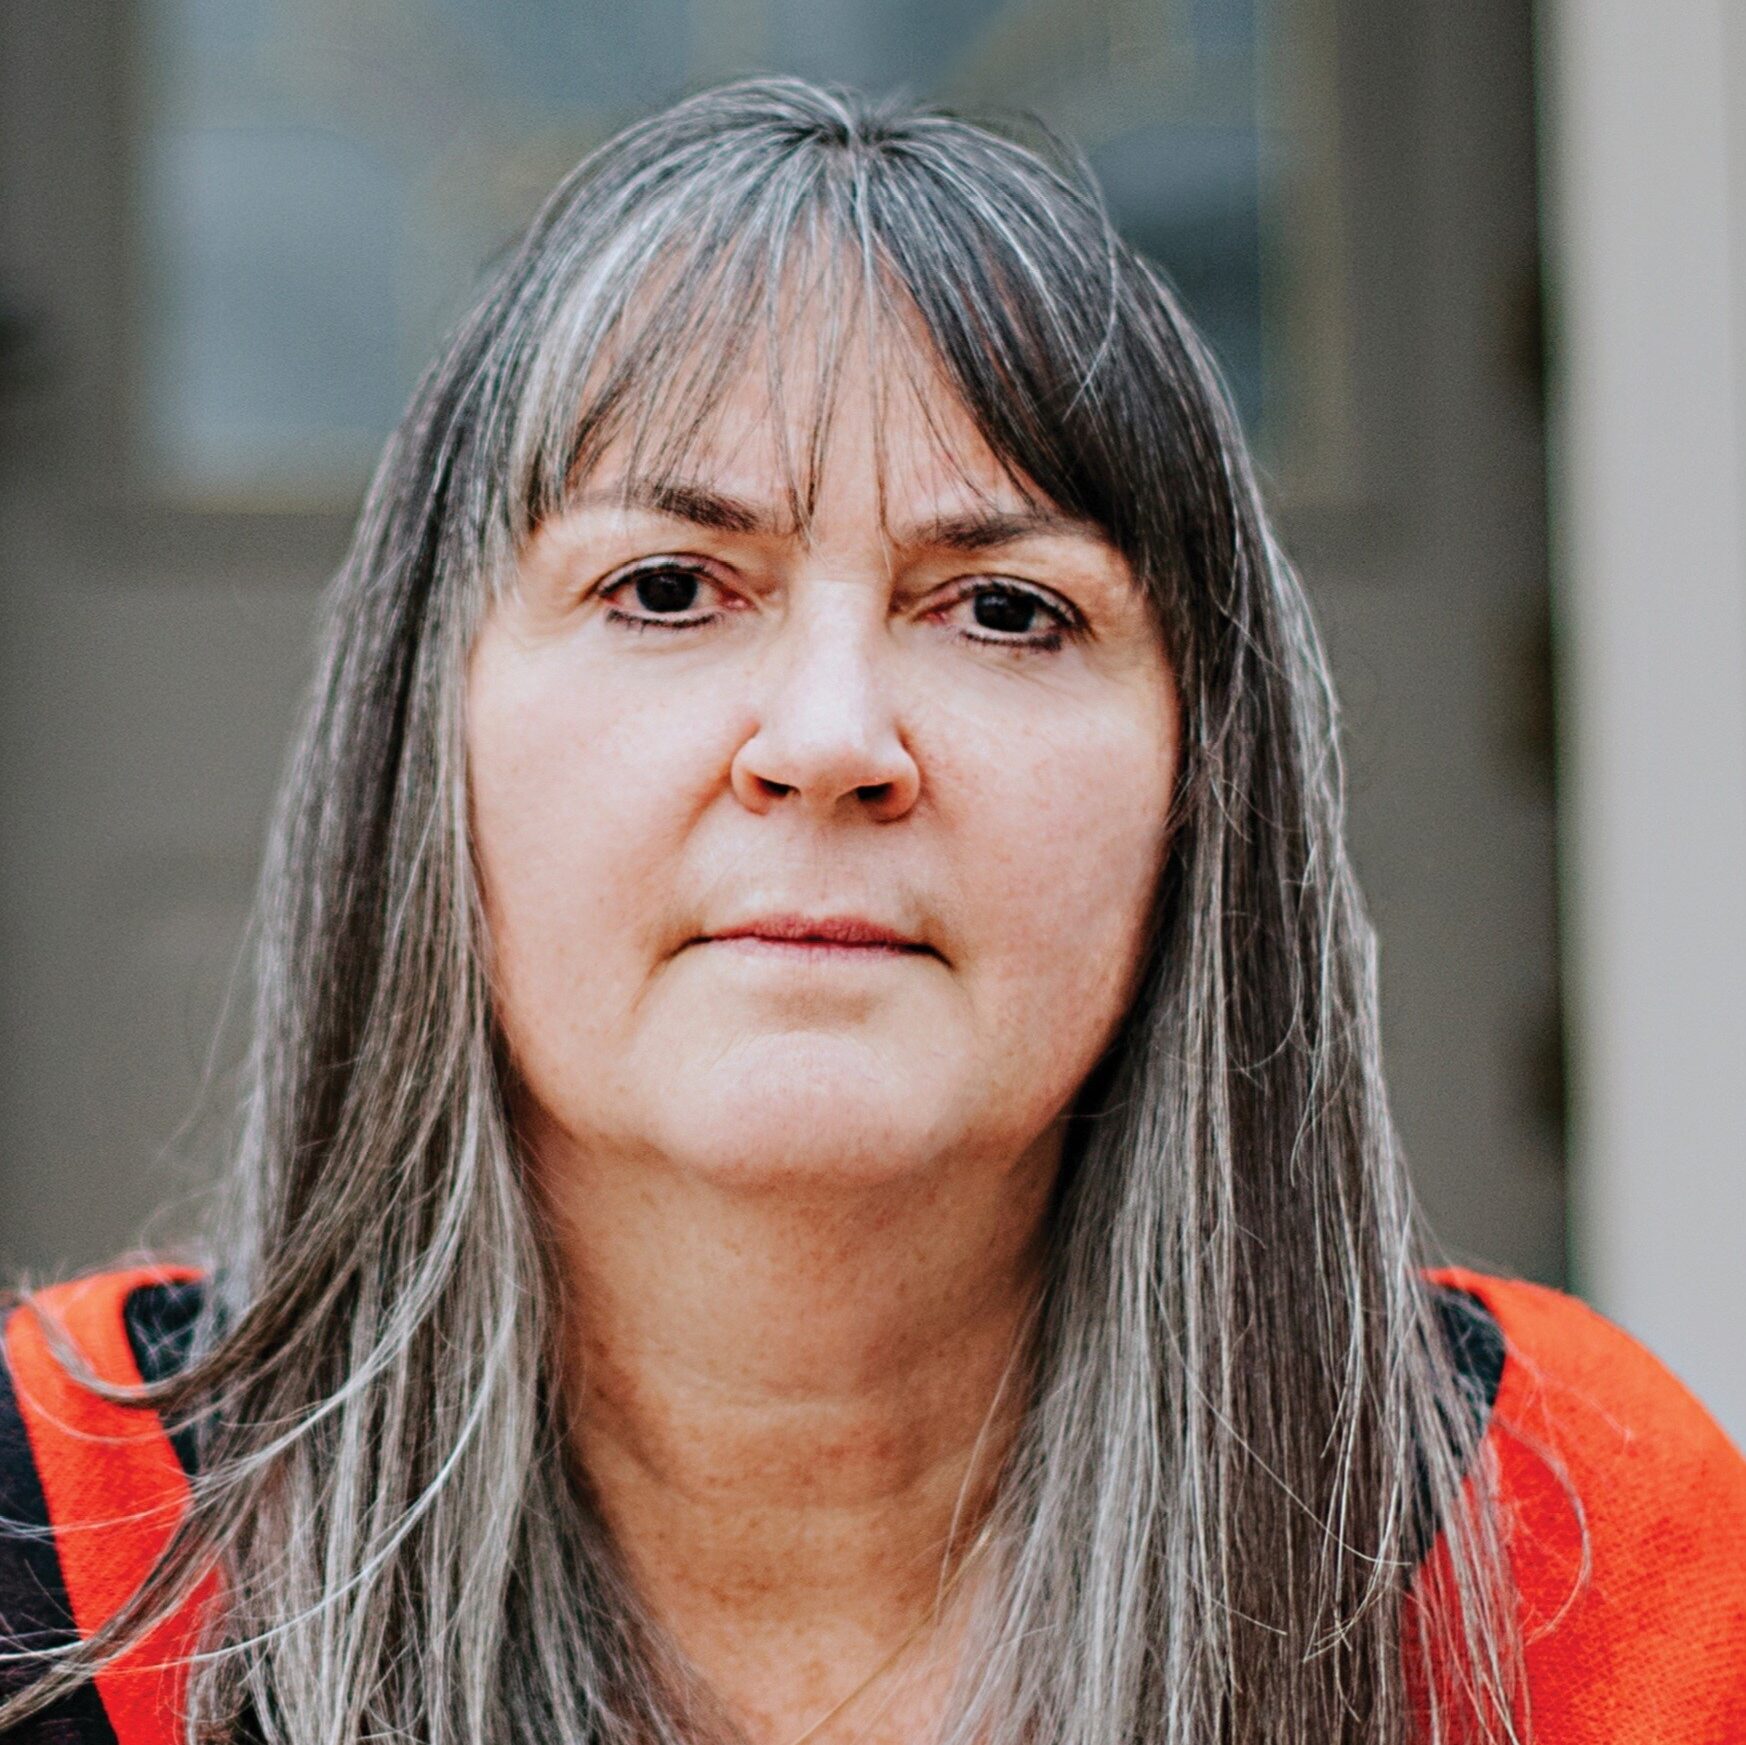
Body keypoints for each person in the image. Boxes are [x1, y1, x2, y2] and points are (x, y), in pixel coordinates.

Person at [1, 77, 1741, 1745]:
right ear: (424, 733)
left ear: (1201, 781)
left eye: (1004, 609)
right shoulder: (45, 1536)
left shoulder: (1579, 1545)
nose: (830, 739)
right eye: (665, 587)